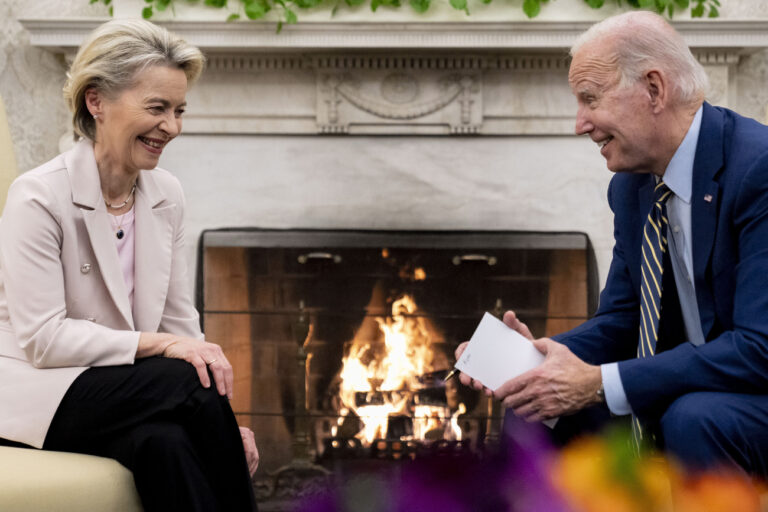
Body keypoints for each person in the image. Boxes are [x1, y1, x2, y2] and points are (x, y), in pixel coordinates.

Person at [458, 11, 768, 476]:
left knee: (695, 418)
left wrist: (600, 382)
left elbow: (758, 347)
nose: (580, 124)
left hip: (751, 392)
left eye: (590, 99)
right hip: (701, 387)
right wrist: (537, 361)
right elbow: (625, 320)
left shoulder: (757, 170)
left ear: (654, 89)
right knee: (538, 404)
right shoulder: (633, 186)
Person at [0, 19, 259, 511]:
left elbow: (181, 323)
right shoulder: (38, 196)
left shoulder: (167, 195)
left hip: (117, 394)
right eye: (157, 108)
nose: (173, 126)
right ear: (96, 101)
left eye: (179, 110)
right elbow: (44, 339)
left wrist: (224, 424)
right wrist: (164, 347)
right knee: (183, 377)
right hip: (31, 392)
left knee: (167, 446)